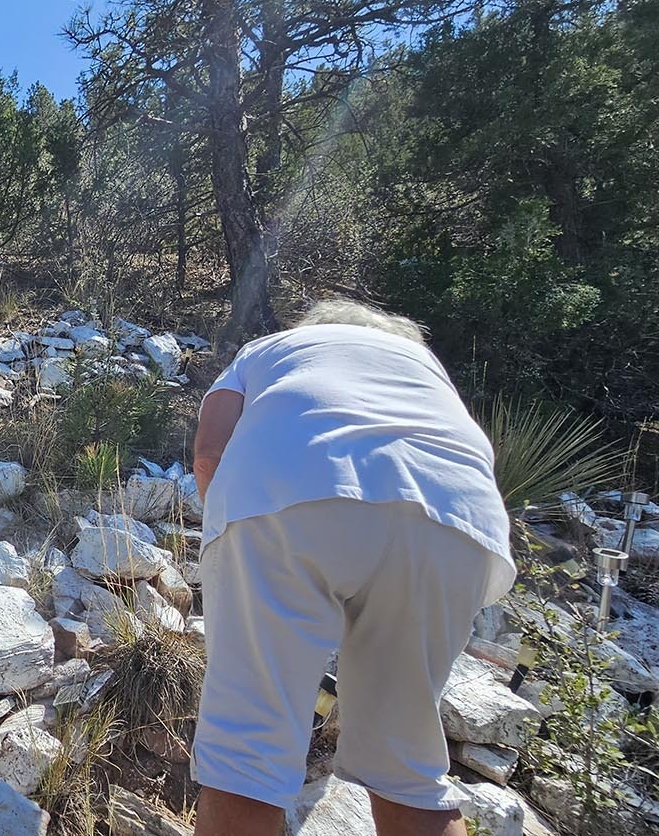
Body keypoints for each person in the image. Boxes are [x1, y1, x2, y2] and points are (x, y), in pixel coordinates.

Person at [189, 299, 516, 836]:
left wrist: (234, 545)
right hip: (456, 521)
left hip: (292, 494)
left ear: (317, 330)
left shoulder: (266, 349)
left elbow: (209, 455)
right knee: (409, 767)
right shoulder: (423, 364)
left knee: (247, 760)